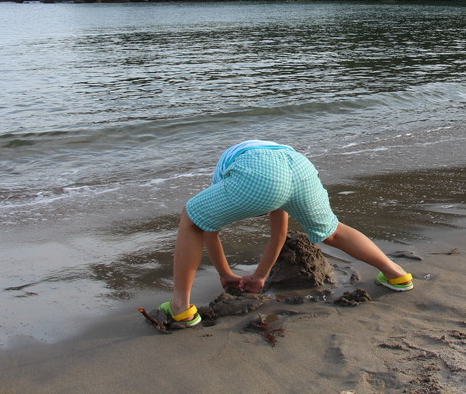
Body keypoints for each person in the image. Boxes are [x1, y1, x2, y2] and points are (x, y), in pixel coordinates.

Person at [161, 140, 413, 326]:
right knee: (332, 231)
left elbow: (207, 229)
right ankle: (396, 274)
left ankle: (180, 307)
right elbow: (278, 234)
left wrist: (225, 274)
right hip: (300, 167)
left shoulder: (224, 178)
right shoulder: (246, 167)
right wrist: (260, 276)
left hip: (259, 169)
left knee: (191, 219)